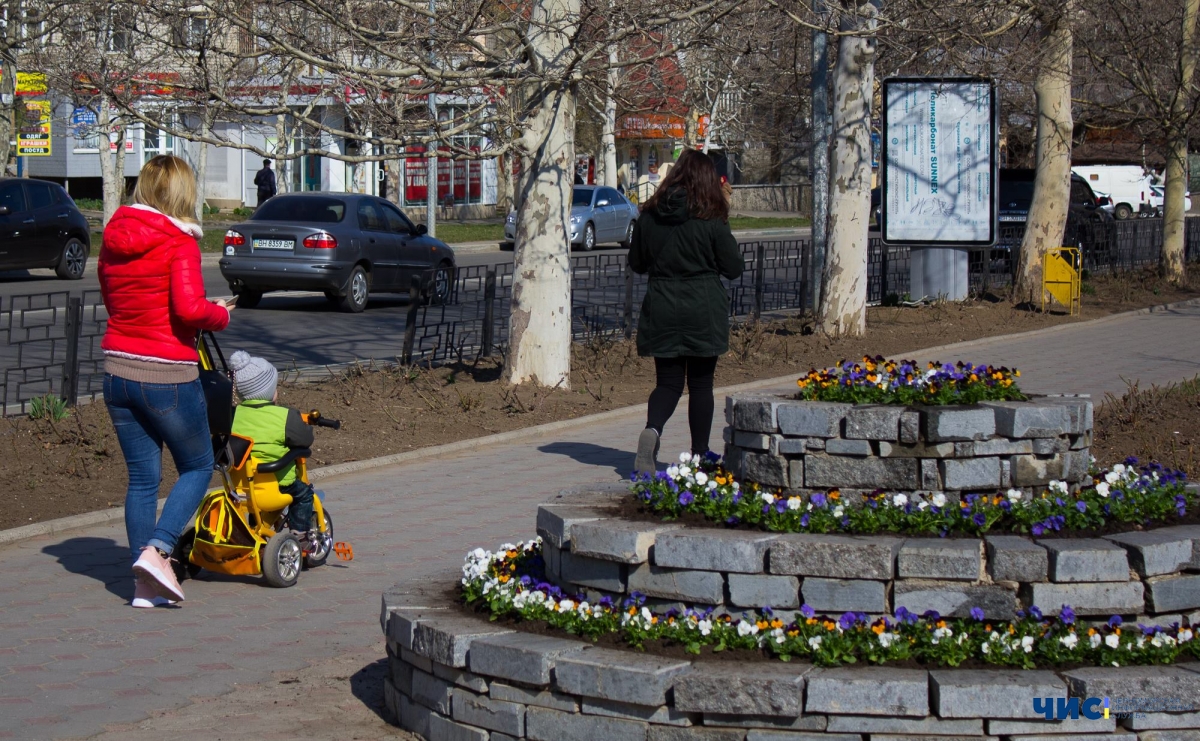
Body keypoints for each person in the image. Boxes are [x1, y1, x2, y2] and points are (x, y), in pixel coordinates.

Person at [99, 154, 233, 608]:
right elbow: (190, 310)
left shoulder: (114, 239)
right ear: (181, 193)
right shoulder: (179, 243)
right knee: (197, 466)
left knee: (141, 479)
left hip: (117, 370)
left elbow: (118, 299)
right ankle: (158, 553)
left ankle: (144, 586)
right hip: (166, 374)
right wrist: (221, 314)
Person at [629, 148, 744, 473]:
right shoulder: (711, 217)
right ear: (708, 180)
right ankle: (700, 453)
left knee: (667, 383)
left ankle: (651, 431)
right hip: (703, 308)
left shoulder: (650, 216)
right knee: (701, 384)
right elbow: (733, 267)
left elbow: (636, 263)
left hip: (662, 305)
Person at [228, 350, 317, 543]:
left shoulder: (233, 415)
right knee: (303, 495)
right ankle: (300, 537)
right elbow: (305, 439)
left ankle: (256, 525)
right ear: (268, 391)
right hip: (276, 483)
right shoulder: (284, 416)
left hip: (242, 486)